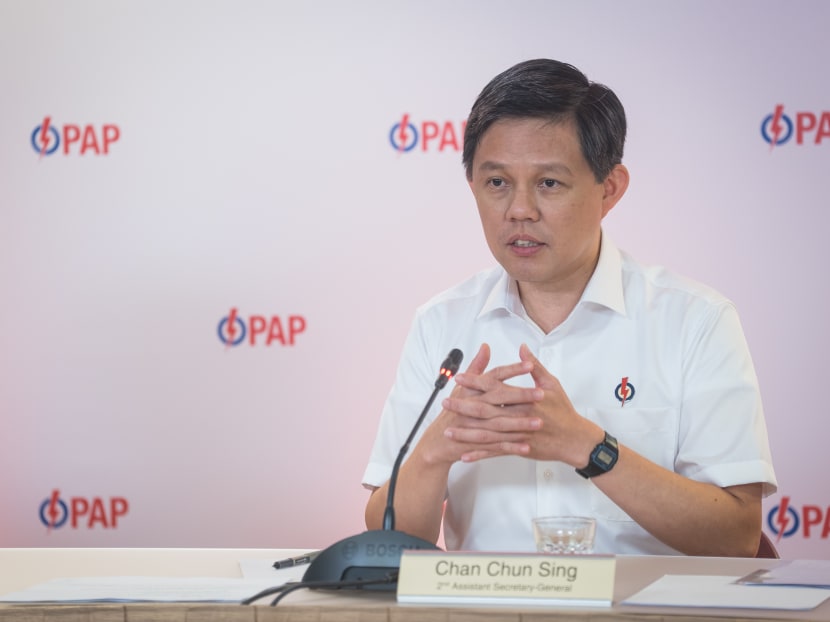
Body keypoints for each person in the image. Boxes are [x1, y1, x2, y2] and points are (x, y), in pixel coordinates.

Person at [362, 59, 777, 556]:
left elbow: (735, 537)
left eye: (548, 184)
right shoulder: (442, 324)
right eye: (497, 183)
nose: (519, 210)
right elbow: (386, 540)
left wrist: (588, 446)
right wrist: (436, 450)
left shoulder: (695, 321)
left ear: (610, 188)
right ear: (472, 185)